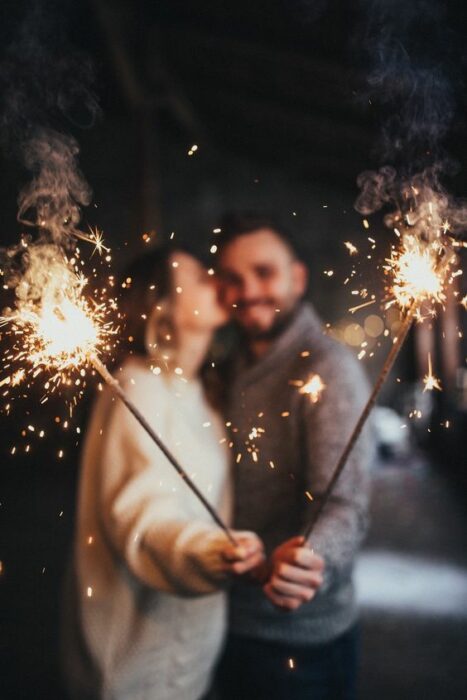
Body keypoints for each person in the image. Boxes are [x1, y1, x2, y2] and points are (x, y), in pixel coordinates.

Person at [63, 245, 264, 700]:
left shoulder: (198, 393)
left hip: (189, 652)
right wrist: (212, 551)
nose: (215, 279)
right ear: (161, 308)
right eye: (196, 275)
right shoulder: (139, 387)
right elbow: (142, 515)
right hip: (137, 665)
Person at [214, 213, 374, 700]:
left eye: (264, 273)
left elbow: (345, 505)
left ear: (297, 278)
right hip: (226, 622)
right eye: (233, 278)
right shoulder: (229, 365)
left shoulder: (328, 369)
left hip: (301, 643)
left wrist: (312, 557)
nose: (249, 290)